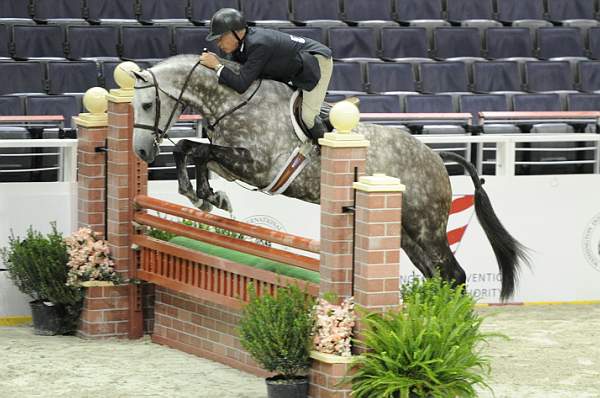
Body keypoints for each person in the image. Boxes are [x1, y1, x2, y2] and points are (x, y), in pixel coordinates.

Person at [199, 8, 333, 141]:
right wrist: (219, 62)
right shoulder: (240, 45)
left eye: (220, 38)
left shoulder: (259, 44)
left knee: (308, 117)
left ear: (236, 33)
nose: (218, 43)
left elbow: (241, 84)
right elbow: (236, 73)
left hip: (315, 62)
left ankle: (325, 153)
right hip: (293, 67)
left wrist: (217, 65)